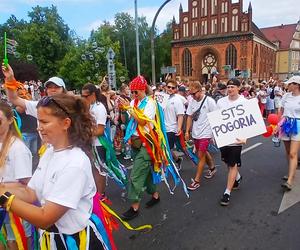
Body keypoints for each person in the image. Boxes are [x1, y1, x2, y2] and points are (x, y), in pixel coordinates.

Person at [0, 94, 108, 249]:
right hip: (52, 239)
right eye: (38, 121)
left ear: (65, 123)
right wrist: (3, 188)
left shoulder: (75, 163)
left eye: (44, 122)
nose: (38, 127)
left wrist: (5, 199)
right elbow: (31, 193)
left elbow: (45, 218)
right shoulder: (50, 152)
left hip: (74, 242)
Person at [119, 76, 160, 220]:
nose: (134, 95)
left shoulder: (150, 102)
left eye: (136, 92)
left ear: (143, 89)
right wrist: (124, 110)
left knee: (135, 176)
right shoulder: (133, 102)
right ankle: (155, 195)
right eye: (132, 92)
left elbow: (142, 121)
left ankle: (134, 207)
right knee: (146, 172)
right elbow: (131, 122)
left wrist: (130, 108)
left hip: (147, 143)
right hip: (136, 142)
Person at [0, 101, 32, 250]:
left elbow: (27, 186)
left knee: (15, 242)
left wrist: (3, 187)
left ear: (10, 120)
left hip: (14, 207)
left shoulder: (17, 148)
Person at [217, 78, 247, 206]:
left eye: (232, 87)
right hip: (224, 138)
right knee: (227, 162)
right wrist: (215, 134)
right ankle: (238, 177)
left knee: (233, 164)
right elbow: (217, 119)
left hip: (236, 139)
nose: (229, 89)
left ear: (238, 88)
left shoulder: (244, 102)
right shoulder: (221, 102)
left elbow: (248, 121)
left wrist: (245, 137)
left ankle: (227, 193)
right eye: (228, 87)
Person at [185, 81, 218, 191]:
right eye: (190, 94)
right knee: (202, 151)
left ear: (200, 90)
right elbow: (189, 116)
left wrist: (214, 134)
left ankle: (197, 181)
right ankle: (212, 168)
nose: (192, 96)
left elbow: (216, 117)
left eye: (194, 94)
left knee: (200, 155)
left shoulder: (210, 101)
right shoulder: (192, 102)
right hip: (196, 133)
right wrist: (187, 131)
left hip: (206, 133)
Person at [2, 64, 66, 119]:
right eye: (50, 87)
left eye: (57, 87)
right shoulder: (39, 106)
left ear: (63, 90)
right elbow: (14, 99)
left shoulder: (71, 107)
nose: (53, 90)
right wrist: (10, 78)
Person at [81, 83, 108, 197]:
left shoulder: (99, 108)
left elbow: (100, 130)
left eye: (85, 96)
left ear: (93, 95)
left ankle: (101, 195)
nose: (83, 98)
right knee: (92, 170)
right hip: (91, 144)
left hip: (98, 144)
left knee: (99, 170)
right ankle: (96, 194)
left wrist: (83, 133)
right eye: (82, 96)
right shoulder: (90, 106)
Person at [278, 76, 300, 191]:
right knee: (287, 152)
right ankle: (290, 171)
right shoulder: (286, 96)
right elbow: (280, 110)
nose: (288, 85)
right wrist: (278, 124)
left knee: (292, 153)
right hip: (285, 123)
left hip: (298, 125)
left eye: (290, 84)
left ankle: (290, 180)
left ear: (296, 85)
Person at [164, 80, 185, 170]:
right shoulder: (162, 98)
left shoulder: (177, 100)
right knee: (167, 149)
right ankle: (177, 160)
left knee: (166, 149)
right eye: (168, 87)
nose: (170, 89)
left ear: (176, 89)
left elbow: (180, 115)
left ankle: (165, 169)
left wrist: (179, 128)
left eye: (173, 88)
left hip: (171, 128)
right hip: (161, 128)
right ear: (166, 87)